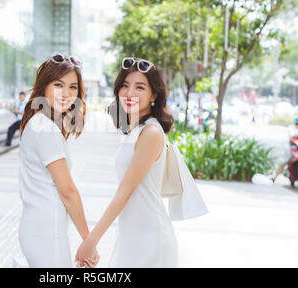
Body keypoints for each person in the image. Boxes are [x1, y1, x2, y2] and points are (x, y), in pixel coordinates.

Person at [75, 57, 207, 268]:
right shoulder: (134, 131)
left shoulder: (151, 132)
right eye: (125, 86)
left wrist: (91, 240)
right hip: (131, 234)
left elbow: (124, 193)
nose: (130, 93)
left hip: (150, 238)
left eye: (140, 87)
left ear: (154, 94)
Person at [18, 53, 99, 268]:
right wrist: (88, 240)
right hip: (46, 233)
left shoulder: (42, 123)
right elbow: (68, 191)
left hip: (41, 229)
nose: (66, 93)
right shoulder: (44, 127)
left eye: (73, 87)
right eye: (58, 85)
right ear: (44, 86)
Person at [273, 116, 298, 181]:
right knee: (284, 162)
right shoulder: (291, 128)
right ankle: (274, 177)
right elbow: (292, 136)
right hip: (291, 148)